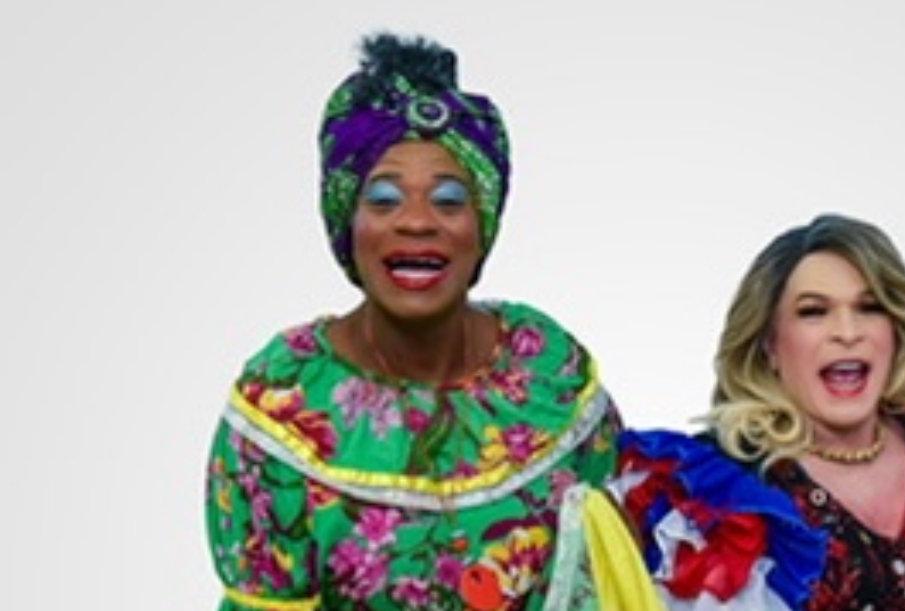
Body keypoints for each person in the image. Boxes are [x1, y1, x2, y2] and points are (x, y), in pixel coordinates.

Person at [204, 32, 660, 611]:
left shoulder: (551, 374)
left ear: (482, 227)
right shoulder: (280, 405)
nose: (417, 222)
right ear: (347, 223)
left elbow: (613, 571)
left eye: (448, 200)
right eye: (384, 199)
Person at [611, 213, 905, 611]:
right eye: (814, 312)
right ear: (769, 343)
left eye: (870, 308)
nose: (847, 332)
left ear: (896, 329)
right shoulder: (721, 495)